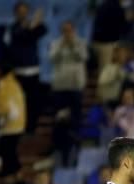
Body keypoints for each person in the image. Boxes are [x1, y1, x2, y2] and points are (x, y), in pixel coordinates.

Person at [0, 1, 46, 132]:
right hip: (18, 71)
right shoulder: (12, 28)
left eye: (24, 11)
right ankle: (19, 126)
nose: (22, 14)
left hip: (33, 70)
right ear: (15, 13)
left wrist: (35, 23)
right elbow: (22, 35)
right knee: (18, 100)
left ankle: (31, 128)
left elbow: (42, 30)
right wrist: (31, 25)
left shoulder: (33, 27)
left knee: (33, 102)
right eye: (19, 11)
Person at [49, 21, 87, 165]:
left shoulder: (80, 43)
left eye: (69, 30)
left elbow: (82, 57)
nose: (67, 34)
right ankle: (59, 148)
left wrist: (72, 45)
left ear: (74, 30)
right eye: (64, 31)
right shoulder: (56, 44)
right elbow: (53, 58)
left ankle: (75, 148)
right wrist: (62, 46)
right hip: (60, 87)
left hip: (75, 87)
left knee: (75, 121)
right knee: (60, 120)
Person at [0, 62, 26, 183]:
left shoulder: (3, 85)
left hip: (8, 125)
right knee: (11, 151)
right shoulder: (15, 84)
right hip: (19, 124)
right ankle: (18, 175)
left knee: (7, 152)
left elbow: (2, 106)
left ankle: (10, 177)